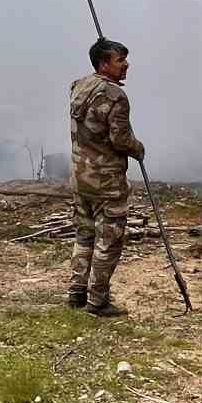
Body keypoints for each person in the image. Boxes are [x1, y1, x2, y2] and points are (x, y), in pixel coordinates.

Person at [67, 37, 145, 317]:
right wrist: (138, 148)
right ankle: (97, 301)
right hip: (106, 182)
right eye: (120, 60)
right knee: (108, 241)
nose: (126, 65)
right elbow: (120, 139)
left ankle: (76, 292)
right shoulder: (115, 96)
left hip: (80, 177)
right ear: (104, 63)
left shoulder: (78, 87)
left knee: (84, 235)